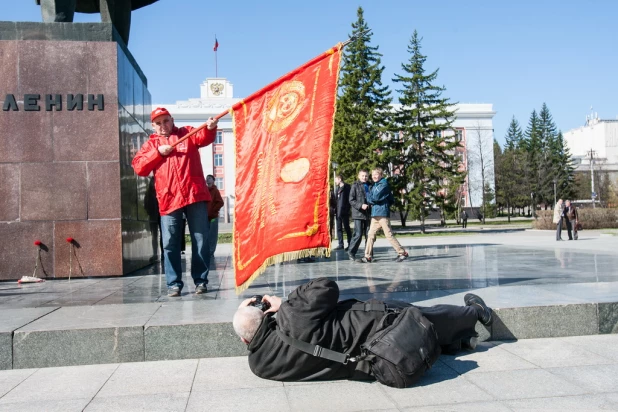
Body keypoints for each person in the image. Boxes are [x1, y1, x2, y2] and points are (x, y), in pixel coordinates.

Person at [233, 277, 493, 384]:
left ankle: (459, 342)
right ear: (266, 315)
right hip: (378, 328)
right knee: (425, 315)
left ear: (245, 341)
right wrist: (284, 303)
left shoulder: (259, 365)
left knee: (428, 326)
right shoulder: (293, 315)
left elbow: (261, 339)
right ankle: (476, 315)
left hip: (368, 365)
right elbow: (326, 287)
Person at [132, 107, 218, 297]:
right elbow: (139, 167)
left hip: (194, 195)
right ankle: (173, 284)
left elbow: (204, 137)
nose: (163, 125)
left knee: (201, 240)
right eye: (159, 123)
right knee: (170, 243)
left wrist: (211, 128)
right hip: (169, 199)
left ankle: (201, 281)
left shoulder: (187, 133)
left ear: (172, 120)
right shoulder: (151, 145)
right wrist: (158, 153)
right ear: (153, 126)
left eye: (166, 121)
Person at [361, 168, 408, 263]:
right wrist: (374, 199)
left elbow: (374, 197)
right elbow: (390, 199)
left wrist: (371, 198)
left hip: (382, 214)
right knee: (370, 235)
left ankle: (402, 253)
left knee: (389, 235)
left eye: (376, 174)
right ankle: (367, 256)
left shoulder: (383, 184)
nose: (374, 176)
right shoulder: (375, 185)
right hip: (375, 213)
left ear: (381, 175)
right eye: (373, 174)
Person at [348, 169, 371, 261]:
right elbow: (351, 200)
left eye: (366, 176)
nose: (364, 177)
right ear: (359, 176)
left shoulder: (370, 185)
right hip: (358, 214)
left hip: (368, 214)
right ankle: (351, 252)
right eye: (362, 176)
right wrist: (360, 205)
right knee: (358, 234)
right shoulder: (355, 186)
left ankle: (368, 254)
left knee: (369, 234)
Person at [206, 175, 224, 262]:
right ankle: (206, 251)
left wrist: (213, 210)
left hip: (213, 217)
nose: (207, 179)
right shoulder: (205, 190)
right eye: (207, 178)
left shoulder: (215, 191)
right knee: (205, 235)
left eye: (209, 178)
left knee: (212, 235)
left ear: (213, 180)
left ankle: (211, 252)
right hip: (205, 217)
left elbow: (220, 202)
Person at [333, 174, 352, 251]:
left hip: (344, 211)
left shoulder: (347, 187)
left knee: (347, 228)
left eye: (336, 180)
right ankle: (341, 244)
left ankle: (350, 244)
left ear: (340, 179)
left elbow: (348, 199)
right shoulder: (337, 188)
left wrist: (347, 209)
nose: (335, 182)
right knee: (339, 228)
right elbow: (336, 200)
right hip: (338, 212)